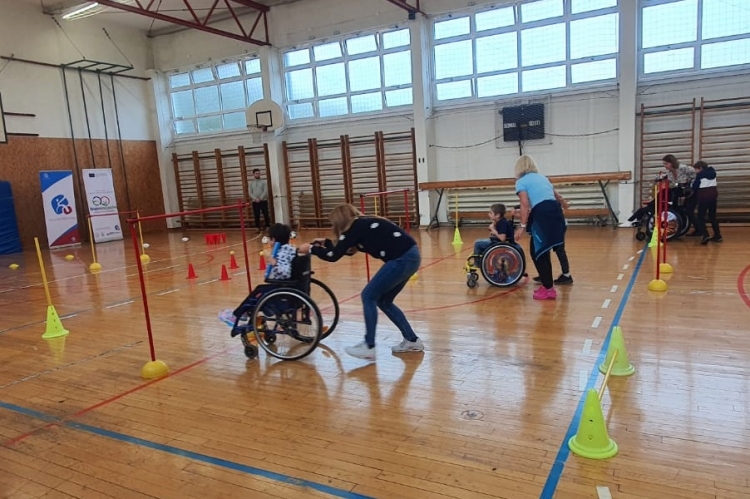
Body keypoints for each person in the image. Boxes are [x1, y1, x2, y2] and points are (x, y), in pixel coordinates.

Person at [299, 204, 423, 361]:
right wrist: (328, 243)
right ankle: (412, 340)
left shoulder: (355, 228)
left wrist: (310, 249)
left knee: (368, 295)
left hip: (401, 259)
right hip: (411, 256)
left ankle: (369, 346)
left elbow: (333, 256)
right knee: (383, 301)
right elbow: (343, 249)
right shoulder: (361, 223)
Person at [219, 223, 306, 334]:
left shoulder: (282, 253)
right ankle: (245, 313)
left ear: (274, 240)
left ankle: (237, 315)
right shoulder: (290, 249)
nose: (269, 242)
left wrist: (273, 261)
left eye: (269, 239)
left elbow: (285, 272)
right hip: (290, 287)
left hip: (281, 288)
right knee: (260, 290)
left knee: (258, 292)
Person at [513, 155, 567, 300]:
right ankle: (547, 285)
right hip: (556, 213)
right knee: (543, 252)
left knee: (537, 252)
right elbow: (557, 196)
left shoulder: (521, 182)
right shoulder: (543, 178)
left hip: (543, 215)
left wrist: (522, 226)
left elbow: (524, 204)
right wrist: (564, 204)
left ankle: (549, 289)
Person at [622, 154, 696, 227]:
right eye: (664, 164)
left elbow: (695, 174)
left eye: (666, 164)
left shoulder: (683, 168)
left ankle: (640, 213)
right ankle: (647, 209)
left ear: (672, 163)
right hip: (678, 190)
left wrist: (691, 184)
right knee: (664, 193)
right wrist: (659, 178)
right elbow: (667, 180)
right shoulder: (669, 173)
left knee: (668, 192)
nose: (665, 166)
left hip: (687, 190)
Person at [691, 161, 722, 245]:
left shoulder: (700, 175)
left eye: (696, 169)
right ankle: (718, 235)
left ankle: (705, 235)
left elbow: (695, 187)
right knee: (712, 217)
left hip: (703, 198)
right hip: (713, 197)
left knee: (700, 217)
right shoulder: (713, 173)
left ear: (700, 168)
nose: (695, 171)